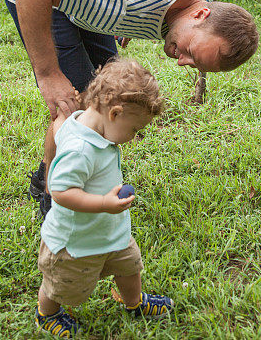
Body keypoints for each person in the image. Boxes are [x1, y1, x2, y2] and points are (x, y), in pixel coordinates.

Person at [0, 0, 259, 215]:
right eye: (191, 52)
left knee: (110, 91)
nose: (181, 61)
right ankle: (52, 196)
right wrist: (48, 74)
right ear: (201, 15)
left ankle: (51, 174)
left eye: (193, 64)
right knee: (81, 103)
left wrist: (127, 22)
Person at [35, 59, 174, 337]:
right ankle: (47, 314)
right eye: (135, 130)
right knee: (60, 285)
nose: (134, 137)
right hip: (75, 244)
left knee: (130, 266)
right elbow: (60, 192)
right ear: (114, 113)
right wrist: (102, 204)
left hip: (110, 233)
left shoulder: (93, 130)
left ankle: (133, 302)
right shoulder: (79, 149)